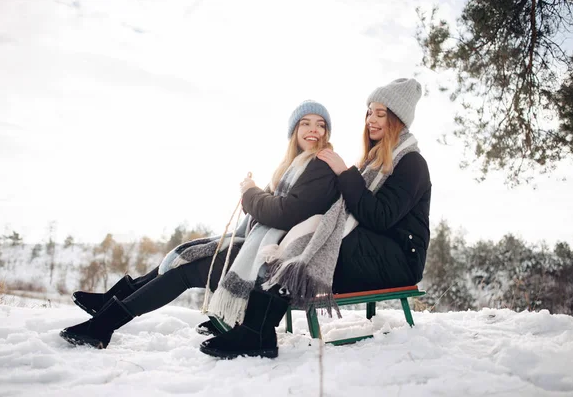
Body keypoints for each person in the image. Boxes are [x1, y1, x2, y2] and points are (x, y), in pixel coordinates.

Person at [59, 100, 340, 349]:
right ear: (294, 131)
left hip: (275, 257)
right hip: (262, 244)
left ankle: (104, 324)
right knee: (190, 251)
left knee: (188, 269)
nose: (313, 129)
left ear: (327, 132)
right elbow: (266, 207)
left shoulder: (321, 166)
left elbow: (283, 213)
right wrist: (254, 196)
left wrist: (251, 193)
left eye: (320, 124)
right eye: (305, 123)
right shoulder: (292, 166)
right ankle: (111, 303)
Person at [200, 78, 431, 359]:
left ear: (397, 120)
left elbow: (380, 217)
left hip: (399, 258)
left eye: (380, 114)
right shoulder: (373, 162)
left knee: (316, 241)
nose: (371, 119)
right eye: (369, 112)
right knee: (309, 231)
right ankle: (253, 325)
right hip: (372, 250)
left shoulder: (412, 163)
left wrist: (345, 173)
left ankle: (257, 331)